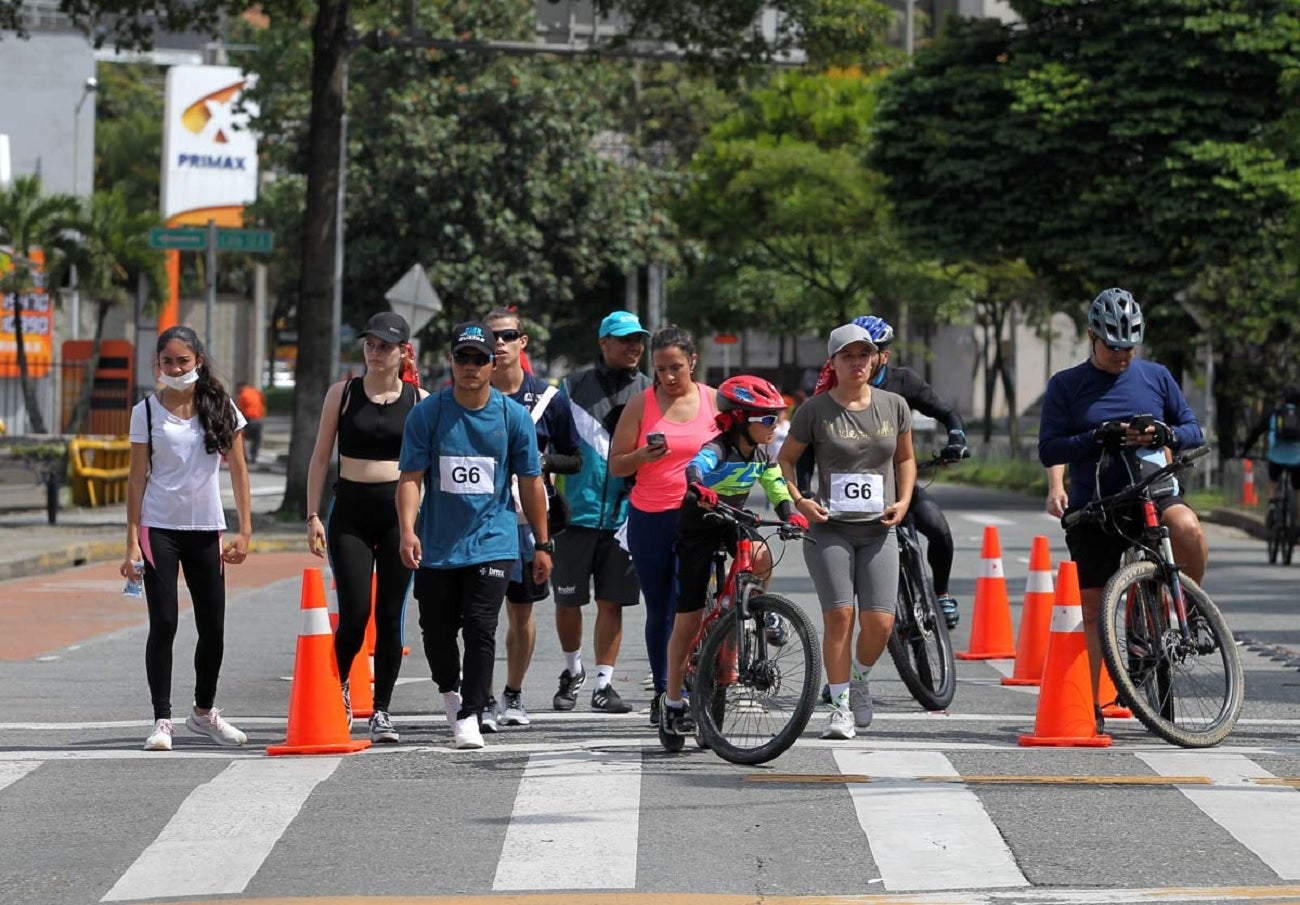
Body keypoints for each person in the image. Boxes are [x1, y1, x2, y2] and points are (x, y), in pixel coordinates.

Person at [1038, 287, 1207, 726]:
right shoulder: (1066, 385)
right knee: (1092, 606)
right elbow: (1049, 447)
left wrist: (1165, 434)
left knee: (1187, 526)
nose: (1122, 355)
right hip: (1096, 504)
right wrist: (1097, 437)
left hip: (1151, 491)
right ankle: (1087, 705)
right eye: (1113, 346)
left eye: (1130, 346)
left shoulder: (1157, 376)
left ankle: (1187, 610)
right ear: (1092, 336)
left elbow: (1194, 430)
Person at [397, 321, 552, 750]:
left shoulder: (512, 416)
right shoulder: (428, 413)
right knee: (437, 630)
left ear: (493, 363)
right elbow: (410, 477)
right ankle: (451, 691)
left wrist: (542, 543)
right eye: (462, 357)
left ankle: (472, 710)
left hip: (494, 540)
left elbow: (531, 482)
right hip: (439, 542)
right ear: (452, 362)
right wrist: (407, 531)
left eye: (479, 359)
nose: (470, 366)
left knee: (481, 626)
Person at [777, 323, 915, 740]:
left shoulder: (894, 405)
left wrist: (905, 501)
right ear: (832, 363)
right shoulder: (815, 410)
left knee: (880, 624)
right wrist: (800, 501)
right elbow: (783, 462)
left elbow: (906, 459)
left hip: (878, 530)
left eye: (864, 356)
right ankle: (838, 709)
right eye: (848, 356)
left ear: (875, 359)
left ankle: (857, 679)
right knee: (840, 616)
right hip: (829, 529)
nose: (857, 364)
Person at [121, 325, 253, 752]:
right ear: (156, 365)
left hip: (205, 529)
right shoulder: (145, 412)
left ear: (198, 360)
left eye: (183, 360)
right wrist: (130, 543)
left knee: (212, 625)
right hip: (158, 527)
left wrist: (245, 530)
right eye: (167, 361)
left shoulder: (221, 407)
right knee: (164, 622)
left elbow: (238, 470)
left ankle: (203, 712)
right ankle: (162, 720)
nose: (175, 368)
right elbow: (137, 477)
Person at [659, 375, 808, 736]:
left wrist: (790, 513)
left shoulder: (761, 452)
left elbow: (775, 483)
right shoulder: (720, 447)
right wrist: (698, 486)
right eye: (769, 419)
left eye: (779, 417)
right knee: (689, 620)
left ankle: (755, 605)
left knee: (760, 554)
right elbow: (696, 466)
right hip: (698, 525)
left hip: (732, 520)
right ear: (741, 419)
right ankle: (674, 700)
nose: (777, 426)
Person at [306, 311, 427, 744]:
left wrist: (413, 523)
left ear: (403, 352)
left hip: (398, 515)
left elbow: (424, 470)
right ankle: (337, 686)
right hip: (350, 512)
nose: (375, 353)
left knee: (391, 614)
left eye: (385, 346)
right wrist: (313, 514)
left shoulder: (419, 400)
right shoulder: (342, 394)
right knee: (356, 613)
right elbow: (321, 457)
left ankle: (383, 711)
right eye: (370, 344)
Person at [810, 315, 970, 629]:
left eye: (870, 351)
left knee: (937, 528)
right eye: (853, 353)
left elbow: (946, 413)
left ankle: (941, 592)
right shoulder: (835, 388)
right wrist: (802, 493)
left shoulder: (904, 382)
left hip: (896, 483)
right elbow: (802, 443)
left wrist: (956, 438)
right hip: (851, 492)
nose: (862, 360)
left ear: (884, 354)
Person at [609, 325, 717, 727]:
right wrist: (643, 455)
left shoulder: (714, 401)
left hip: (700, 516)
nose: (669, 377)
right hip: (651, 517)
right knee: (662, 609)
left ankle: (708, 677)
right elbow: (616, 464)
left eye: (676, 367)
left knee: (694, 605)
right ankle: (666, 692)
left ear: (693, 362)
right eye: (660, 369)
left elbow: (738, 452)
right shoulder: (642, 404)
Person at [550, 310, 652, 716]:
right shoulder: (570, 388)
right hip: (575, 515)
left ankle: (604, 685)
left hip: (627, 517)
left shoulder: (649, 390)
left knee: (612, 602)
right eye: (625, 339)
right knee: (568, 602)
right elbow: (547, 444)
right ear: (604, 343)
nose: (634, 347)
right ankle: (573, 670)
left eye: (638, 340)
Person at [484, 307, 582, 730]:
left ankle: (513, 694)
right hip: (479, 522)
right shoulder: (470, 393)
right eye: (491, 338)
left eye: (507, 336)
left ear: (523, 342)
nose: (498, 345)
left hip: (527, 522)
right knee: (479, 615)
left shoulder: (548, 399)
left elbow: (575, 459)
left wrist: (541, 460)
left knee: (521, 614)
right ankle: (481, 698)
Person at [1241, 384, 1300, 521]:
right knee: (1298, 489)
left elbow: (1257, 432)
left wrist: (1245, 450)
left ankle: (1272, 504)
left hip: (1276, 456)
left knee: (1272, 480)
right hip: (1297, 458)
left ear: (1284, 399)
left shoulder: (1275, 414)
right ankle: (1298, 523)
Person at [234, 382, 266, 464]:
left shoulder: (243, 395)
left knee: (245, 438)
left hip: (249, 418)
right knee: (256, 439)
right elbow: (262, 403)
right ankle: (254, 456)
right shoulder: (256, 392)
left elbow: (240, 410)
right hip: (259, 419)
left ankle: (247, 456)